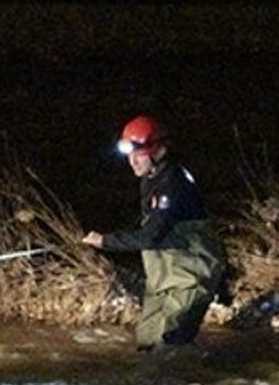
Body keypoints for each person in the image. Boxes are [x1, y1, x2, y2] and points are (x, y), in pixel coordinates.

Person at [82, 115, 227, 351]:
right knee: (146, 341)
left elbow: (151, 236)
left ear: (158, 150)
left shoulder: (174, 183)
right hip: (162, 276)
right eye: (128, 155)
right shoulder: (150, 178)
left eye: (138, 154)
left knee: (169, 342)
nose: (132, 162)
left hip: (189, 275)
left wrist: (105, 241)